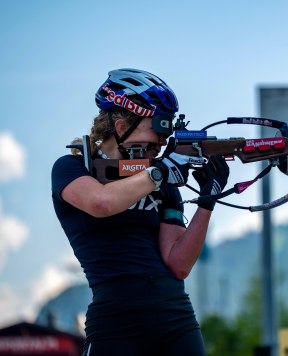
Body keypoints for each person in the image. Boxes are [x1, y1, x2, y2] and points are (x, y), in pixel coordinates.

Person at [51, 68, 229, 355]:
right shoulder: (73, 168)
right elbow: (101, 203)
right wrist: (160, 172)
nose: (162, 142)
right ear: (122, 127)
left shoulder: (160, 179)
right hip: (115, 318)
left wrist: (208, 201)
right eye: (157, 129)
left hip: (175, 314)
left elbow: (178, 264)